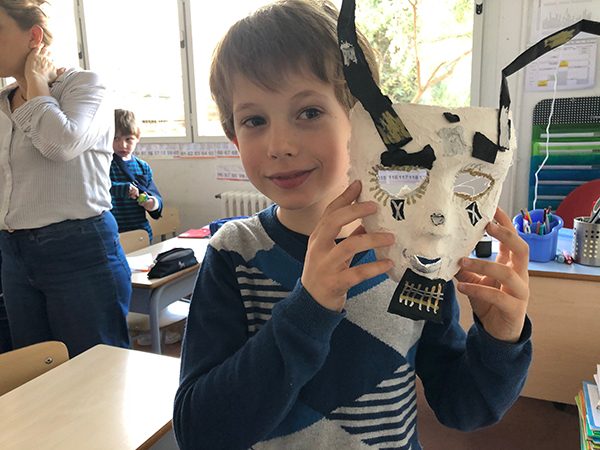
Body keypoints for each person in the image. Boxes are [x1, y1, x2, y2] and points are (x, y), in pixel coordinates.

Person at [173, 1, 532, 449]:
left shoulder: (416, 254)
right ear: (234, 136)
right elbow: (200, 432)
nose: (279, 145)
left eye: (308, 112)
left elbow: (463, 407)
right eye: (254, 120)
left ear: (365, 124)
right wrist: (307, 311)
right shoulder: (234, 254)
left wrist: (500, 340)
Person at [0, 0, 131, 357]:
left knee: (95, 369)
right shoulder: (2, 102)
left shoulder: (84, 85)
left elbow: (60, 144)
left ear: (34, 36)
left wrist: (36, 83)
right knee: (37, 369)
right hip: (14, 252)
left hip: (78, 248)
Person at [110, 109, 163, 242]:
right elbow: (98, 187)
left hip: (141, 232)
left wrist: (152, 203)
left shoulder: (143, 167)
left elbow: (154, 194)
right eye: (116, 138)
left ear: (138, 137)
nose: (122, 145)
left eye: (128, 139)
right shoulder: (104, 163)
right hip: (114, 233)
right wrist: (124, 188)